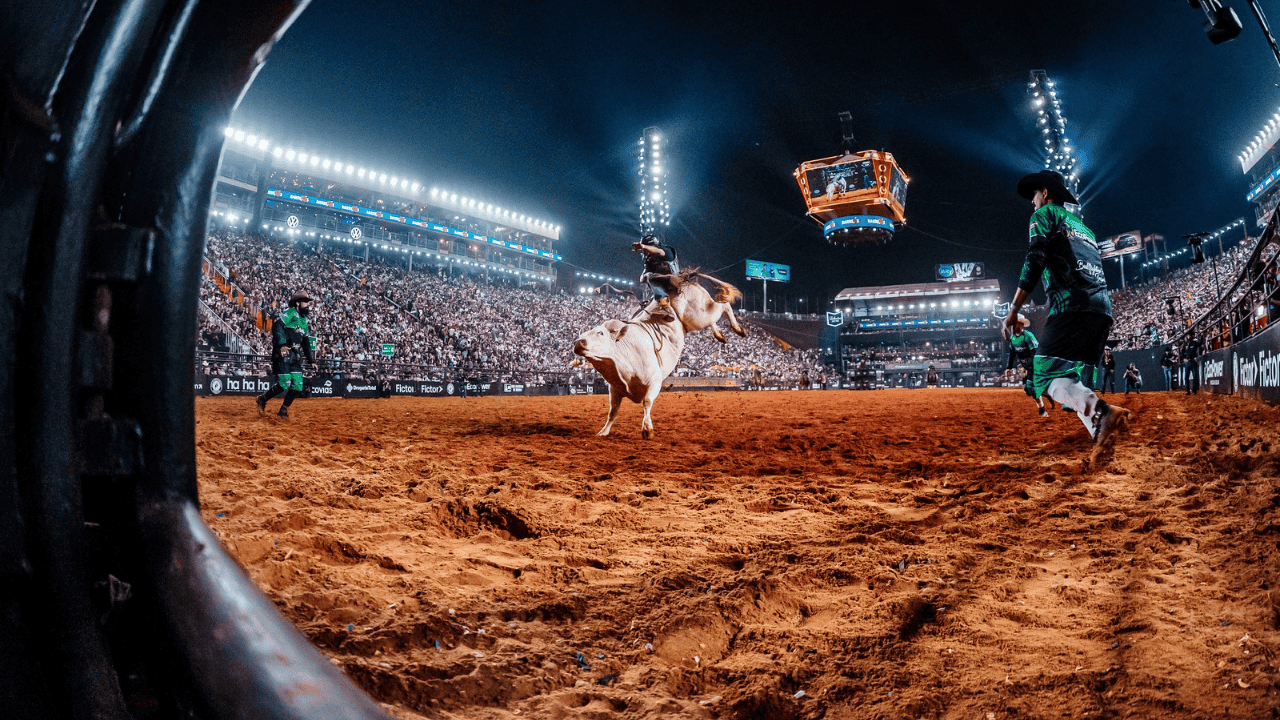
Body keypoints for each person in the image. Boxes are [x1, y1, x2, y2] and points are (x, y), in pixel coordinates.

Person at [1002, 170, 1128, 467]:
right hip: (1101, 310)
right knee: (1072, 381)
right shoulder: (1084, 228)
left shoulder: (1045, 214)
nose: (1032, 202)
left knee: (1043, 376)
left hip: (1071, 305)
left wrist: (1014, 309)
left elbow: (1035, 259)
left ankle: (1103, 413)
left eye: (1034, 195)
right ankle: (1101, 442)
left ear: (1045, 193)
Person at [257, 292, 315, 418]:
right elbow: (277, 325)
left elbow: (305, 342)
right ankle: (262, 399)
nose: (308, 305)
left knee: (298, 385)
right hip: (283, 353)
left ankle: (283, 409)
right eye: (305, 302)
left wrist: (311, 360)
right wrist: (282, 344)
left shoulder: (304, 320)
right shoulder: (290, 313)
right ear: (298, 303)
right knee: (284, 383)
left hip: (295, 355)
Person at [1004, 314, 1049, 416]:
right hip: (1027, 366)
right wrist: (1009, 367)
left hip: (1035, 365)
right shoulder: (1013, 339)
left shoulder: (1028, 336)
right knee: (1028, 390)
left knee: (1030, 386)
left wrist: (1028, 368)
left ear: (1021, 325)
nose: (1013, 327)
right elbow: (1012, 353)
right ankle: (1042, 406)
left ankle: (1042, 409)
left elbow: (1035, 352)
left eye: (1015, 324)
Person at [633, 234, 679, 320]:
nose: (644, 252)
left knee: (650, 278)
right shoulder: (649, 259)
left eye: (645, 249)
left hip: (673, 282)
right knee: (648, 277)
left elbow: (658, 251)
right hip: (662, 286)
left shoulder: (666, 250)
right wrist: (645, 276)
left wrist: (643, 246)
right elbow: (642, 278)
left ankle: (666, 308)